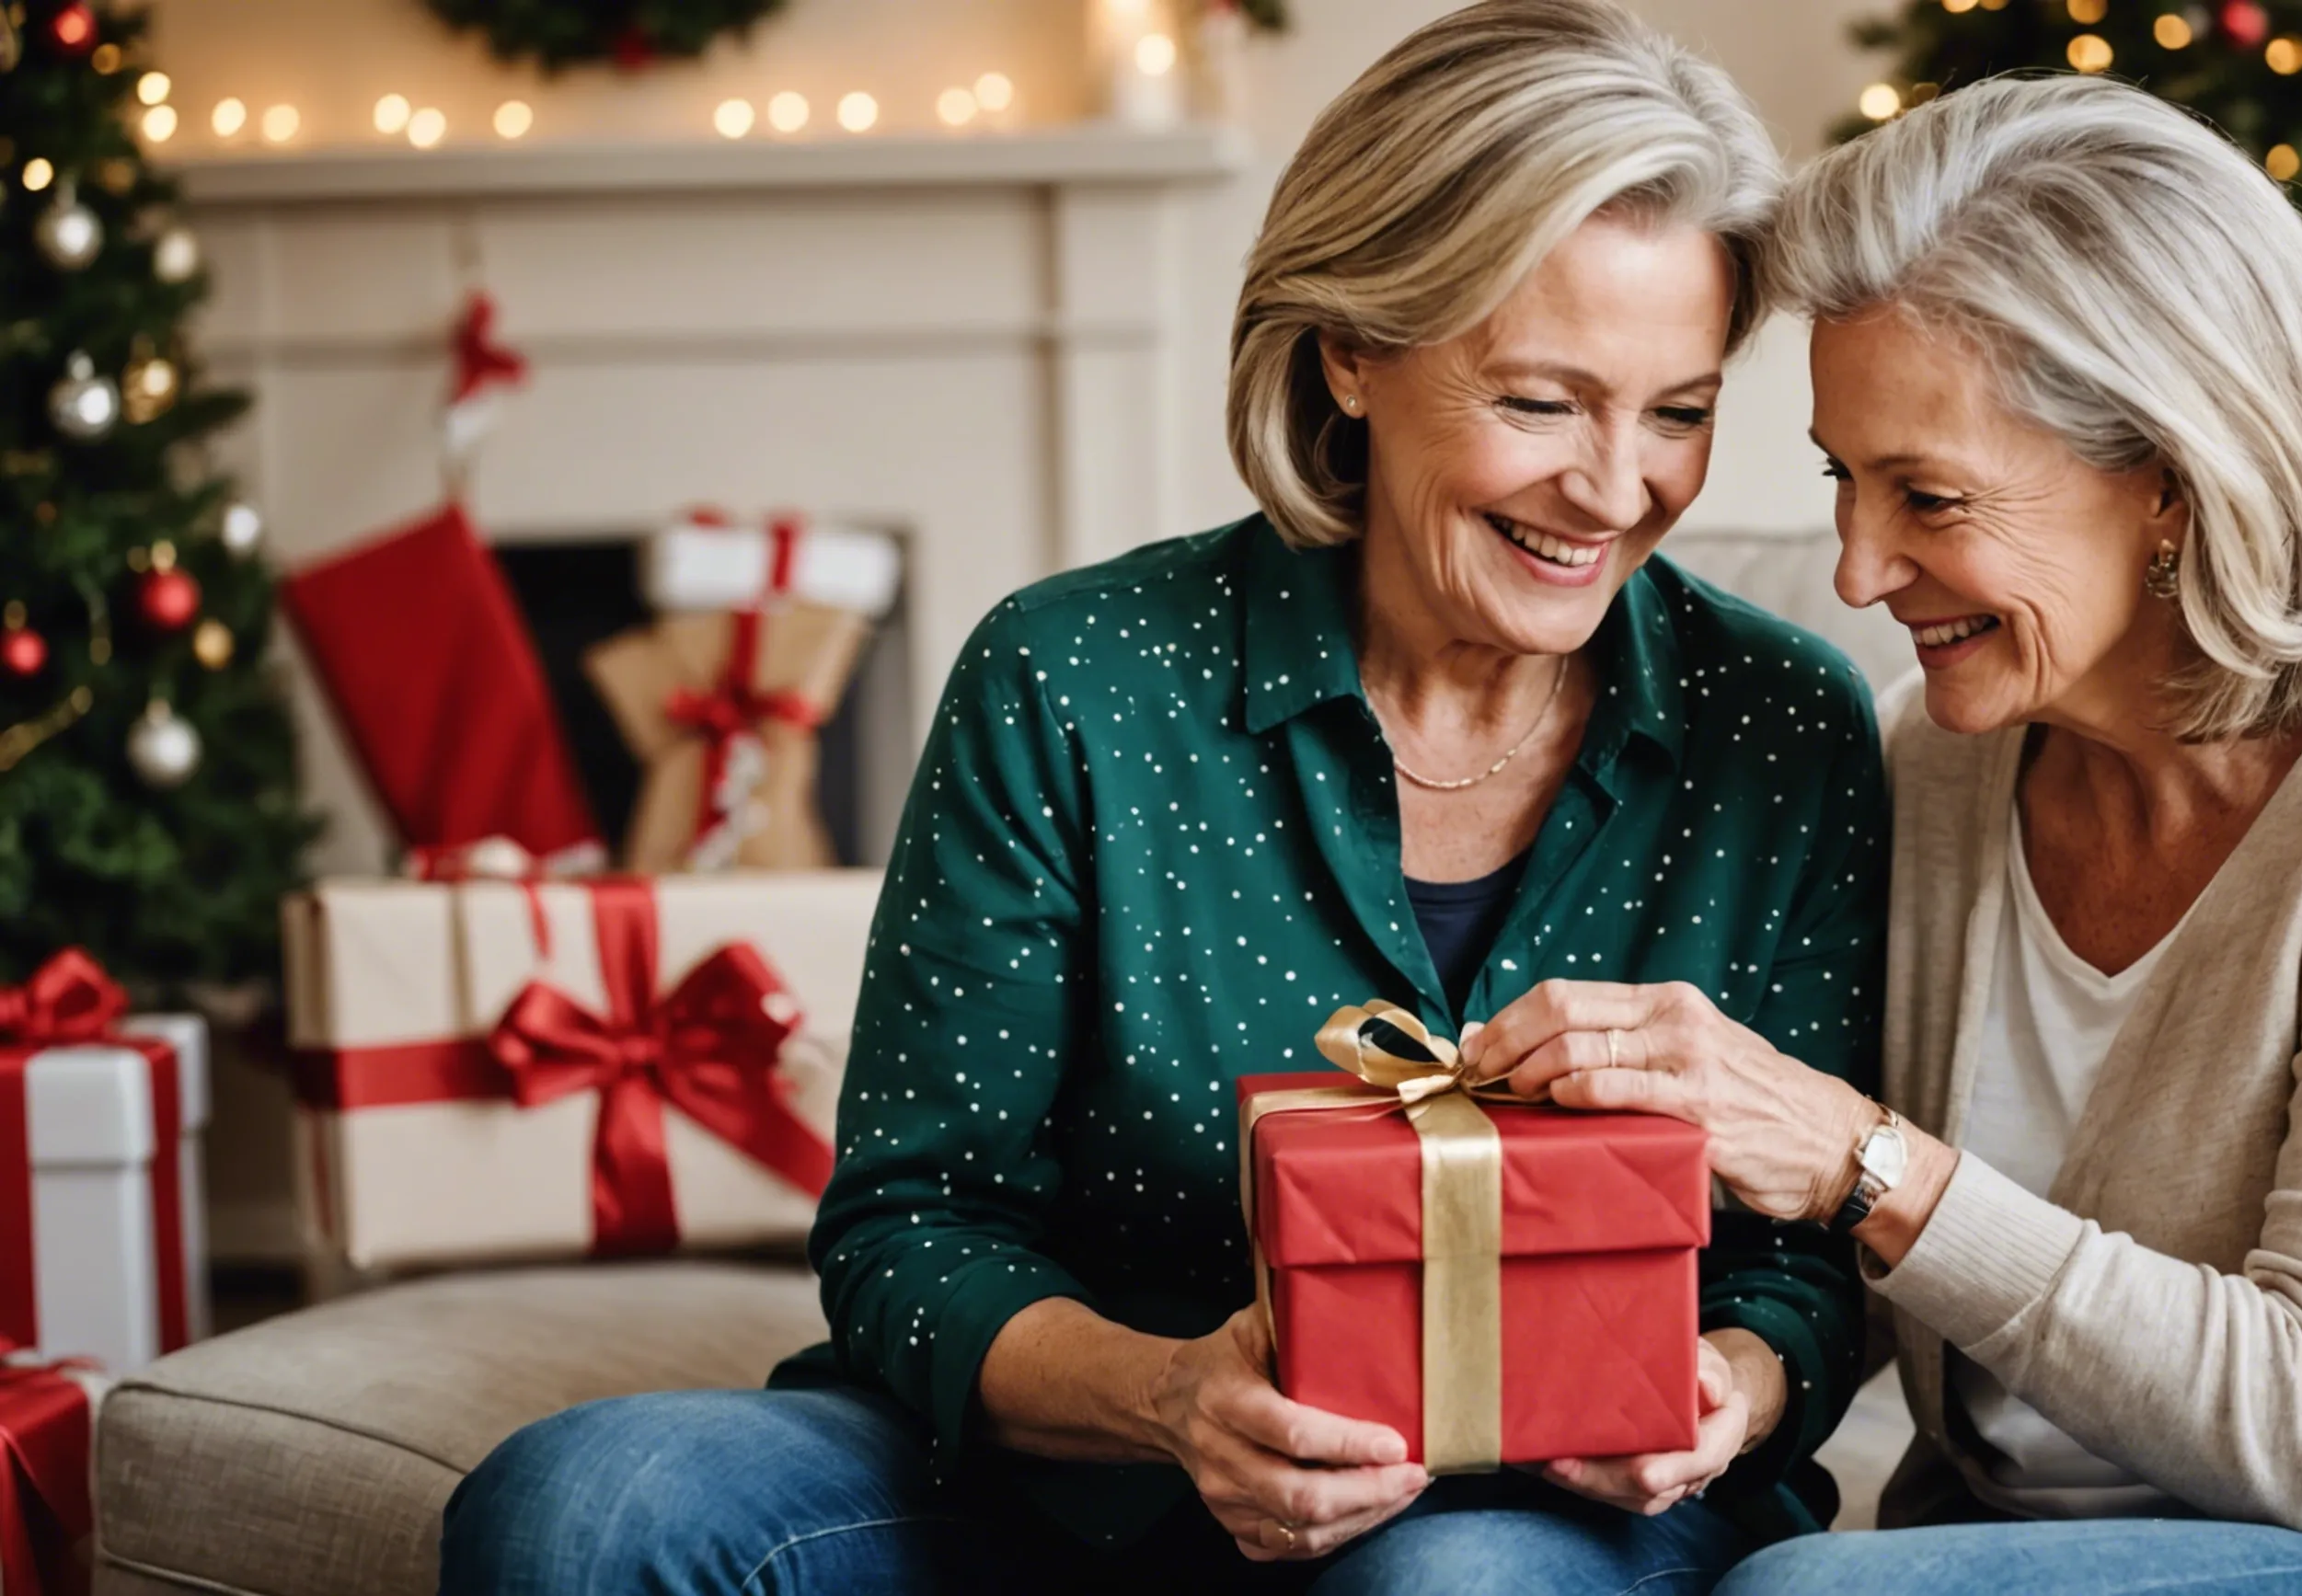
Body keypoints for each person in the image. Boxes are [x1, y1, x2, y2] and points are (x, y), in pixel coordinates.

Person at [442, 4, 1885, 1592]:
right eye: (1540, 403)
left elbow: (1798, 1266)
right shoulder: (1074, 681)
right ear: (1353, 348)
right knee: (584, 1508)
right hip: (1079, 1477)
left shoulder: (1782, 726)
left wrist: (1722, 1395)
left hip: (1554, 1513)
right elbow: (912, 1226)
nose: (1618, 491)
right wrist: (1170, 1399)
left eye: (1677, 411)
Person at [1467, 75, 2302, 1596]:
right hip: (2022, 1549)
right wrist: (1736, 1379)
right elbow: (1910, 1276)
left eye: (1928, 496)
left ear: (2166, 478)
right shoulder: (1940, 757)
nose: (1858, 566)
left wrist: (1857, 1154)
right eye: (1844, 478)